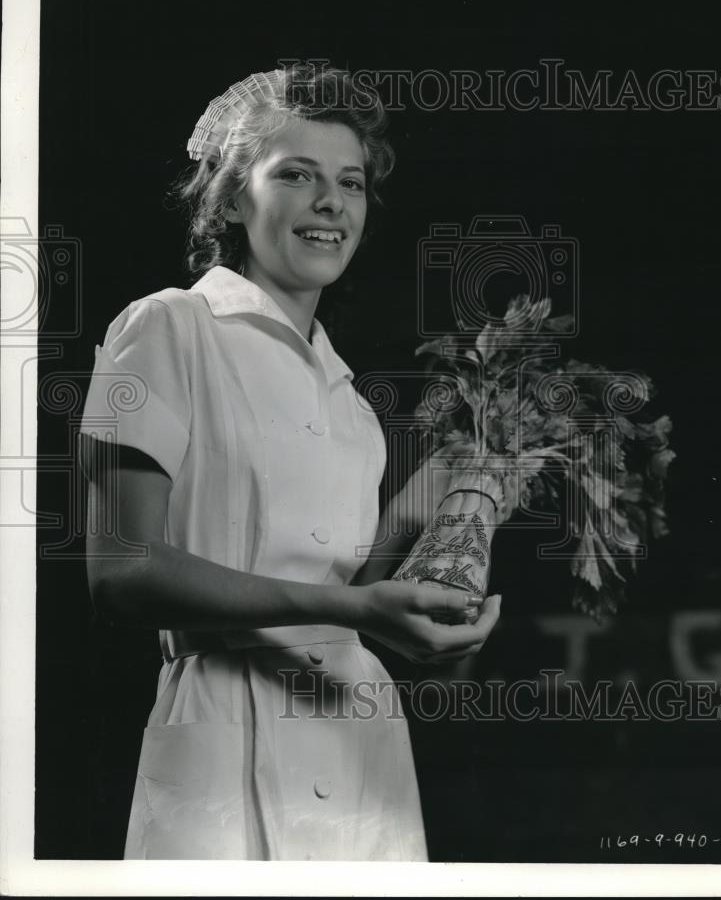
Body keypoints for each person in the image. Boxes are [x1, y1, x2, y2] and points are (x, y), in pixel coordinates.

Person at [79, 64, 501, 861]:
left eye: (351, 183)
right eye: (296, 175)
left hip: (360, 741)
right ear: (233, 198)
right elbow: (120, 571)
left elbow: (350, 593)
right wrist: (360, 611)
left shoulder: (353, 402)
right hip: (220, 736)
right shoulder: (167, 327)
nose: (331, 203)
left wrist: (421, 523)